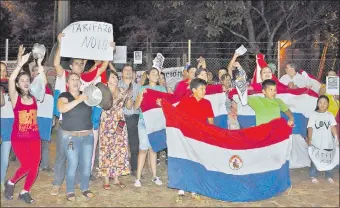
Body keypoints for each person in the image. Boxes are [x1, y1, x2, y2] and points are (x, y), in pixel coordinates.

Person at [51, 33, 110, 195]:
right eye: (77, 63)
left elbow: (102, 68)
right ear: (71, 66)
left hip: (83, 127)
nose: (81, 66)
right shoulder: (65, 77)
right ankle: (57, 183)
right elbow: (56, 63)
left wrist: (108, 51)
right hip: (67, 125)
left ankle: (77, 183)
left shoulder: (86, 79)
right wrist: (60, 43)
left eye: (82, 63)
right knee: (62, 156)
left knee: (79, 157)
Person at [4, 52, 46, 203]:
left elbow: (43, 82)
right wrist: (20, 64)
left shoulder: (34, 97)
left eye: (27, 79)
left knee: (35, 164)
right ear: (18, 83)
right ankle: (10, 182)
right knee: (27, 164)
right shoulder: (16, 98)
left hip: (34, 137)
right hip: (19, 138)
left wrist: (40, 64)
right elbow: (10, 80)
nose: (25, 82)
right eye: (22, 80)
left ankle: (25, 191)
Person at [163, 78, 214, 202]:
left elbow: (211, 122)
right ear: (194, 90)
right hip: (186, 138)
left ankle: (194, 189)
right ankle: (181, 189)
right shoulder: (185, 101)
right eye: (202, 89)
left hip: (200, 139)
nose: (204, 91)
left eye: (205, 89)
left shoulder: (207, 103)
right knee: (185, 162)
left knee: (197, 162)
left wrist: (211, 135)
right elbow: (175, 116)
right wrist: (164, 105)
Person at [57, 72, 94, 201]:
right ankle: (70, 190)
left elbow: (102, 102)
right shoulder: (64, 95)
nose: (75, 81)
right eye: (72, 79)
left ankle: (85, 187)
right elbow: (61, 109)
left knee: (87, 163)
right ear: (67, 83)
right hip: (70, 137)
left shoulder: (86, 95)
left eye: (78, 79)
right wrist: (79, 99)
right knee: (73, 163)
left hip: (88, 136)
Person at [98, 70, 132, 190]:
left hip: (120, 120)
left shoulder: (122, 90)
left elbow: (128, 106)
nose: (116, 79)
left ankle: (116, 177)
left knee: (119, 147)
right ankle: (106, 177)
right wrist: (118, 98)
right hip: (107, 121)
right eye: (113, 77)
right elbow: (106, 107)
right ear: (107, 80)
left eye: (116, 77)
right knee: (106, 148)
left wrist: (128, 97)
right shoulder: (103, 92)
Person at [133, 67, 166, 187]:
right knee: (143, 149)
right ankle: (138, 178)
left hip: (156, 123)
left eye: (157, 74)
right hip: (144, 122)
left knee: (153, 149)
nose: (156, 75)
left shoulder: (162, 89)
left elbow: (166, 107)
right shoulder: (143, 89)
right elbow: (136, 107)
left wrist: (162, 104)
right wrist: (141, 96)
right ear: (147, 75)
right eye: (153, 73)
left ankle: (154, 176)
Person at [307, 95, 339, 184]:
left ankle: (329, 176)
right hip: (316, 142)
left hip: (327, 142)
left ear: (328, 104)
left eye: (325, 103)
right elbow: (310, 128)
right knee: (315, 158)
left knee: (328, 159)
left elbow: (333, 127)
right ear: (317, 103)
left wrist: (336, 138)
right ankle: (313, 175)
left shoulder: (330, 115)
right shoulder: (313, 115)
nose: (322, 104)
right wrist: (309, 139)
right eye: (320, 102)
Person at [118, 65, 141, 177]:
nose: (128, 72)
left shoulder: (137, 87)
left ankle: (135, 168)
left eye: (130, 70)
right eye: (125, 70)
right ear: (121, 73)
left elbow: (137, 104)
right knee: (119, 142)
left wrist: (131, 98)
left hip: (133, 118)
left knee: (134, 144)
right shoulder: (117, 86)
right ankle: (120, 167)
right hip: (120, 119)